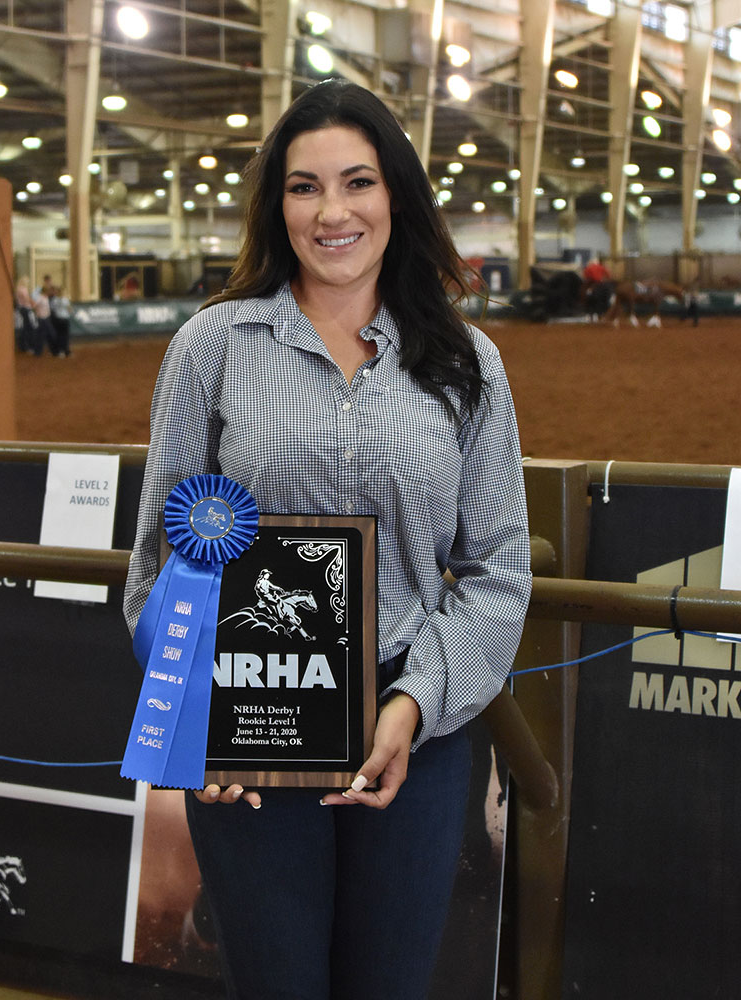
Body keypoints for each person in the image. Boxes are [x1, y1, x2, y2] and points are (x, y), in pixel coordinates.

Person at [123, 79, 531, 1000]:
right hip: (250, 734)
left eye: (358, 182)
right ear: (278, 206)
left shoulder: (468, 362)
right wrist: (200, 722)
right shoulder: (211, 347)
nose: (332, 212)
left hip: (411, 735)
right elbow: (157, 561)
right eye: (304, 187)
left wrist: (415, 702)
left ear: (397, 197)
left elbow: (498, 568)